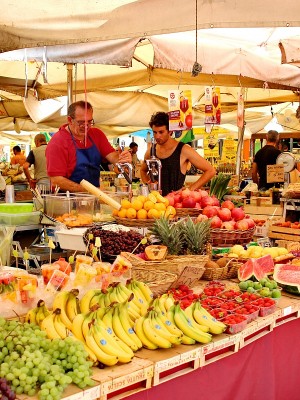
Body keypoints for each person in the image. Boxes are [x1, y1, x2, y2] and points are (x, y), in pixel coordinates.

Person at [46, 101, 131, 192]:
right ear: (70, 120)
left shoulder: (97, 135)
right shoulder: (57, 142)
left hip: (94, 198)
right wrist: (90, 191)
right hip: (67, 200)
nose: (86, 126)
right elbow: (56, 181)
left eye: (89, 122)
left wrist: (122, 159)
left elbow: (113, 157)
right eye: (81, 122)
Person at [140, 112, 216, 196]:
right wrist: (149, 185)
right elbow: (143, 170)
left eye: (161, 132)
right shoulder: (150, 152)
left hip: (175, 204)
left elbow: (210, 171)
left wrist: (190, 190)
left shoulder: (184, 150)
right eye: (155, 132)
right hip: (155, 205)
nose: (157, 136)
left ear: (170, 132)